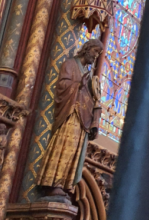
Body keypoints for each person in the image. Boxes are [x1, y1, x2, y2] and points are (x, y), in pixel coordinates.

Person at [37, 39, 103, 195]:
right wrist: (79, 84)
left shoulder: (89, 74)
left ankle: (65, 184)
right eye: (95, 51)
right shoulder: (70, 64)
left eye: (99, 54)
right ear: (86, 49)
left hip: (82, 120)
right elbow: (62, 86)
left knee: (74, 151)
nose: (96, 56)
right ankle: (54, 183)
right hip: (70, 114)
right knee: (63, 145)